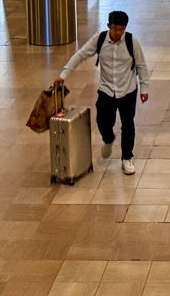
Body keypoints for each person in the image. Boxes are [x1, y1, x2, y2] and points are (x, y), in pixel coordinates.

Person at [52, 10, 150, 176]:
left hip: (127, 90)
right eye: (114, 29)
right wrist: (64, 75)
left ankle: (127, 157)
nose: (118, 33)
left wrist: (144, 88)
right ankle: (108, 139)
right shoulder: (99, 39)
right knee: (103, 121)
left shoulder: (132, 42)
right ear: (108, 26)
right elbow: (81, 55)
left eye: (121, 29)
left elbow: (141, 65)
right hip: (106, 89)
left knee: (128, 124)